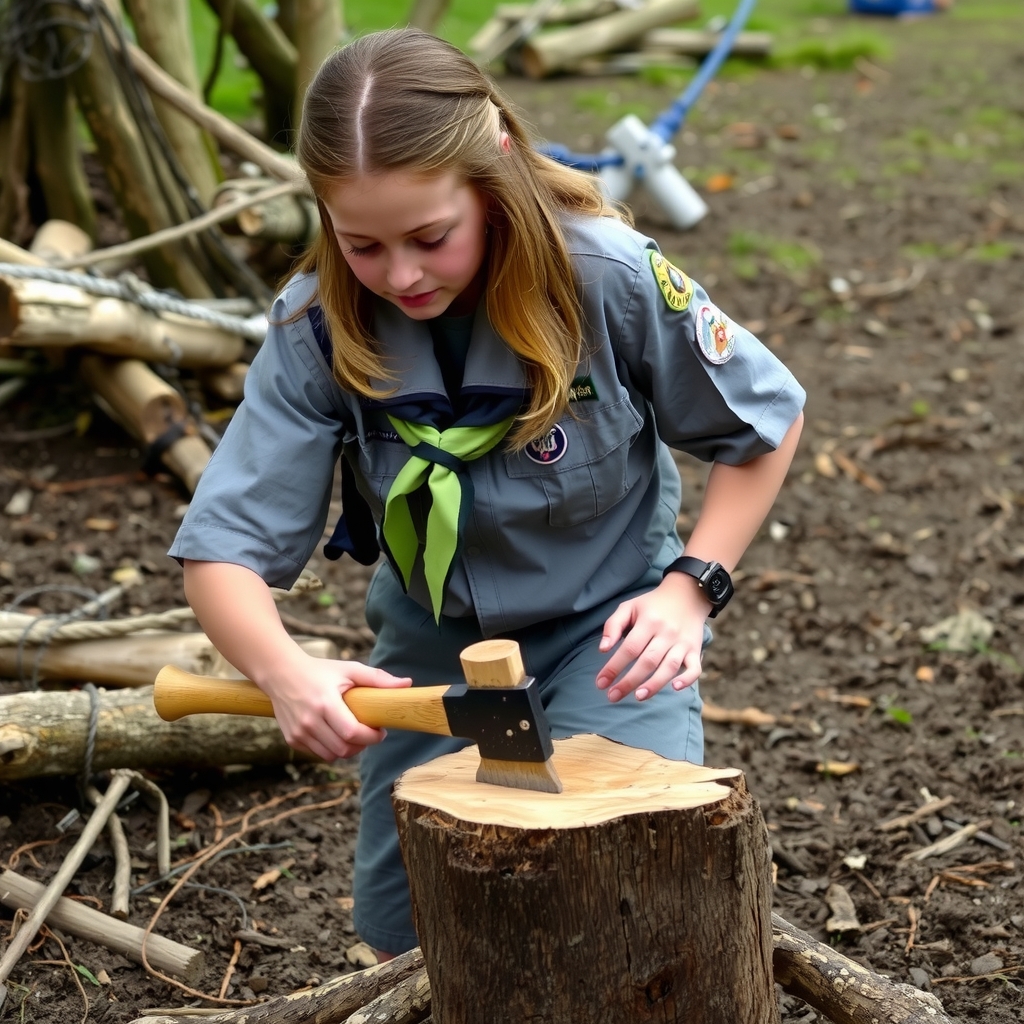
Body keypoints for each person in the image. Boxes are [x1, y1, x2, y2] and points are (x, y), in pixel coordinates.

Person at [170, 28, 805, 957]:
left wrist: (689, 589)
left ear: (493, 172)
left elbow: (765, 423)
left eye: (432, 237)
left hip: (612, 639)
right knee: (413, 939)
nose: (402, 275)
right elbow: (222, 547)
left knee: (636, 894)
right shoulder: (317, 327)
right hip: (428, 667)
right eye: (363, 245)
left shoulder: (603, 276)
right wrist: (283, 671)